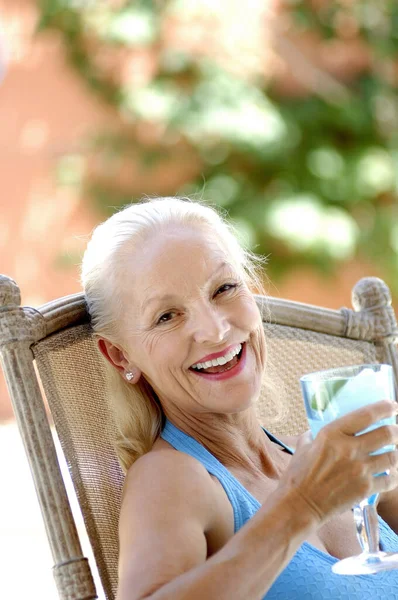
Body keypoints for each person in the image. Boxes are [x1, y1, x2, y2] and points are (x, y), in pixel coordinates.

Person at [81, 196, 398, 600]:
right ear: (120, 354)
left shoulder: (316, 466)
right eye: (167, 316)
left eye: (224, 288)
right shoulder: (172, 480)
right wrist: (301, 506)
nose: (214, 331)